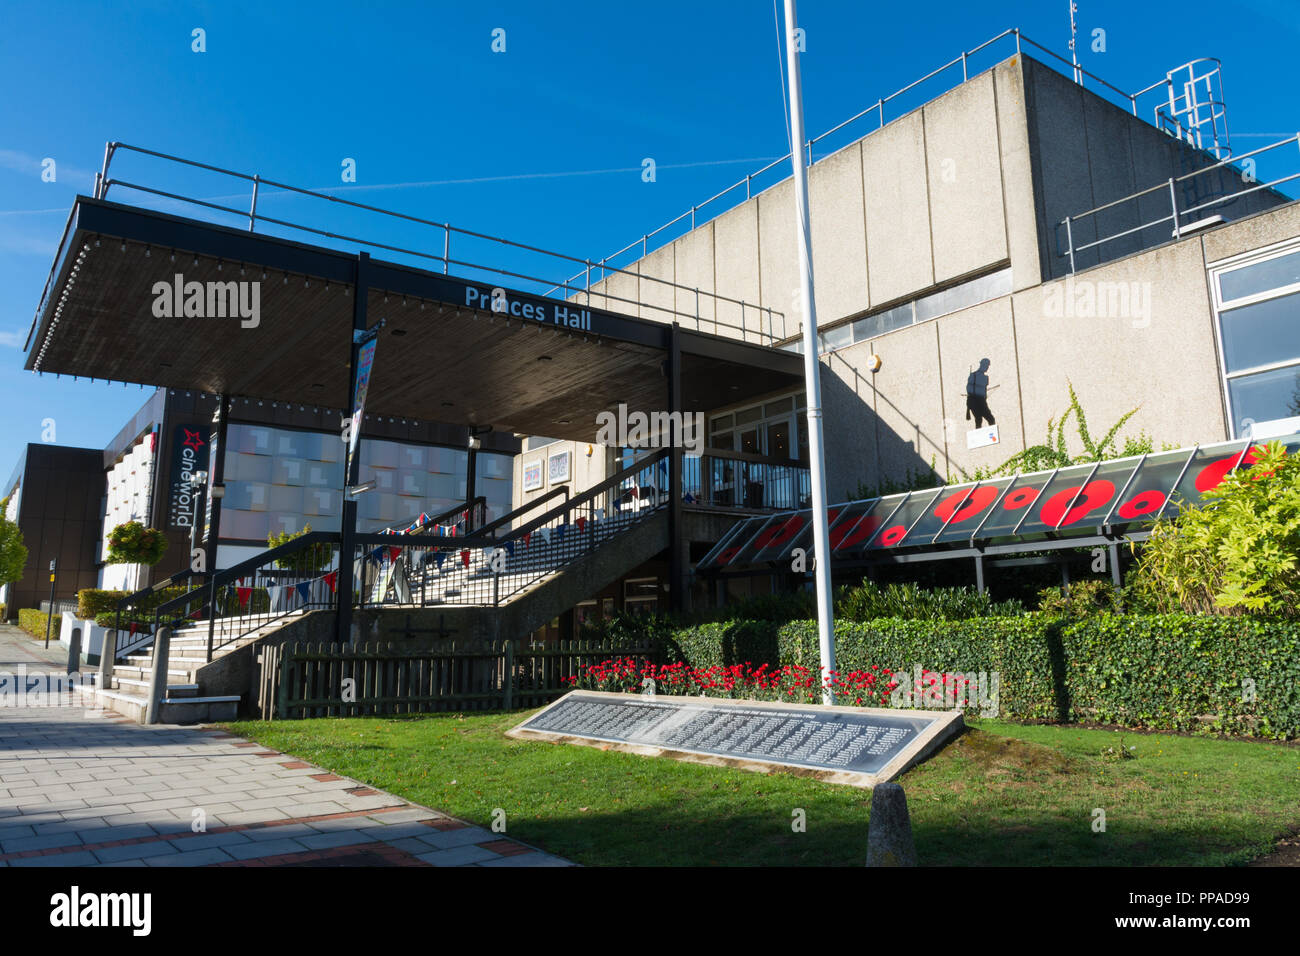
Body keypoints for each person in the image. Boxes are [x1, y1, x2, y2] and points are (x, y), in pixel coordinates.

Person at [966, 358, 995, 429]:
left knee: (980, 420)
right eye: (986, 366)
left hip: (979, 401)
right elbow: (969, 388)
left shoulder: (984, 377)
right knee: (987, 419)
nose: (987, 368)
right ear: (982, 365)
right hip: (976, 401)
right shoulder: (974, 375)